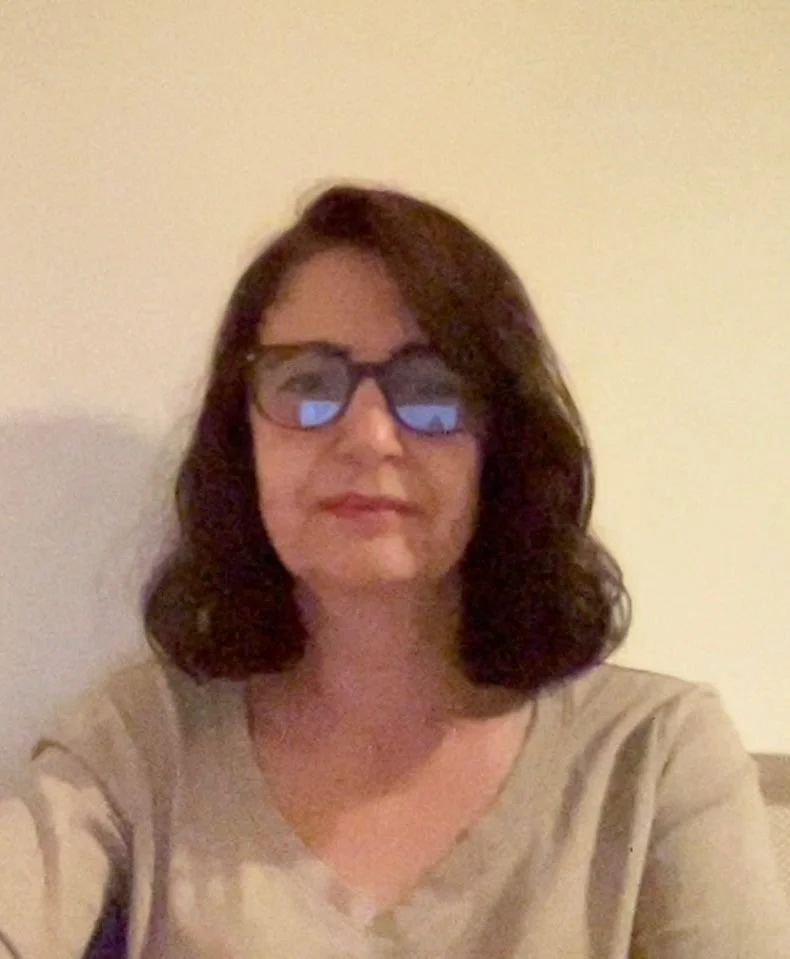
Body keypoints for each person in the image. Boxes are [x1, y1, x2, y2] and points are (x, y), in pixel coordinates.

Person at [0, 183, 787, 959]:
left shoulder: (654, 758)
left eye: (432, 390)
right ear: (244, 443)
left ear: (500, 445)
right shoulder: (139, 741)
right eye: (308, 384)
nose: (369, 436)